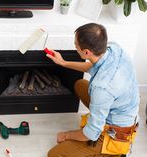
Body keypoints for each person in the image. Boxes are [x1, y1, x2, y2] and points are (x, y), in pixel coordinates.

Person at [46, 23, 140, 157]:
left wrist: (67, 135)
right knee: (80, 84)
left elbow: (91, 133)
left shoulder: (101, 88)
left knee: (54, 154)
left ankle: (112, 153)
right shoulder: (114, 49)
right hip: (122, 108)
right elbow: (93, 66)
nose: (75, 47)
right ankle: (99, 119)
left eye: (76, 46)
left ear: (86, 52)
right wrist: (63, 63)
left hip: (116, 132)